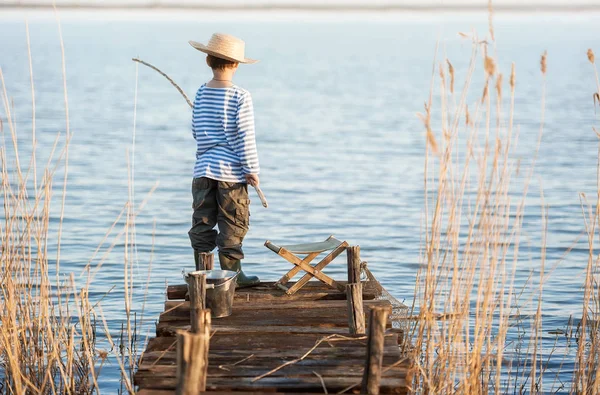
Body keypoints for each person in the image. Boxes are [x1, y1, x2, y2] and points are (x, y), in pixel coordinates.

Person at [187, 33, 260, 287]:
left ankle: (202, 276)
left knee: (202, 223)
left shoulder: (201, 92)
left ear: (208, 60)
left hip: (203, 171)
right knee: (232, 223)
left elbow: (196, 131)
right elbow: (245, 136)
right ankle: (233, 276)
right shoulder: (241, 96)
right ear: (237, 64)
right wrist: (251, 169)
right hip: (231, 173)